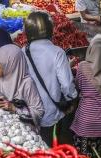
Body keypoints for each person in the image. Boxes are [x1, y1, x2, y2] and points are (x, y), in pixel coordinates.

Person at [22, 11, 78, 147]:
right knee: (50, 149)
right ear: (50, 29)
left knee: (32, 146)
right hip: (51, 114)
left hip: (29, 112)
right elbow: (66, 85)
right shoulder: (57, 52)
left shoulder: (23, 51)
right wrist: (72, 101)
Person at [70, 34, 101, 158]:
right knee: (97, 157)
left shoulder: (82, 67)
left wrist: (69, 66)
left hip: (86, 121)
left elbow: (77, 88)